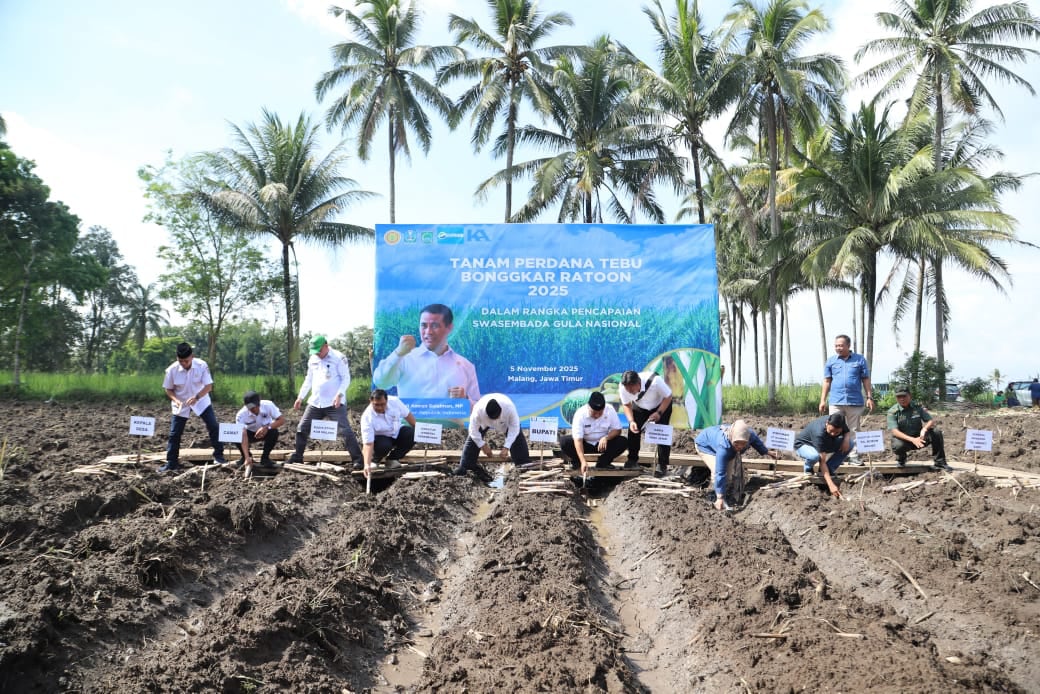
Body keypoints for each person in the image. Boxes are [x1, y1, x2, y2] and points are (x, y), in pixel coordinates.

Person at [372, 303, 480, 404]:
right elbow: (381, 382)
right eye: (424, 325)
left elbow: (478, 410)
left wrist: (465, 399)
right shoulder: (404, 359)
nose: (428, 332)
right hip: (411, 424)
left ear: (449, 327)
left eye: (435, 326)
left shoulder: (466, 366)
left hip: (452, 424)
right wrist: (398, 354)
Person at [288, 335, 363, 466]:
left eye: (319, 351)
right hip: (316, 402)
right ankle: (298, 456)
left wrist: (339, 394)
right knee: (302, 428)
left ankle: (358, 459)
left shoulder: (339, 358)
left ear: (326, 346)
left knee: (345, 430)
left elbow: (346, 378)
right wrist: (300, 397)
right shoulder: (313, 359)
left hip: (334, 402)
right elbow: (308, 379)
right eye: (315, 351)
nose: (317, 354)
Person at [159, 342, 226, 472]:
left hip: (200, 399)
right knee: (174, 433)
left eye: (186, 361)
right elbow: (168, 389)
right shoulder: (171, 370)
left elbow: (208, 386)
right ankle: (171, 462)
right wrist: (176, 400)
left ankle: (219, 456)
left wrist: (196, 397)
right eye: (180, 361)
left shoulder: (202, 365)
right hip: (182, 402)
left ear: (192, 357)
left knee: (213, 426)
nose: (183, 364)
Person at [695, 420, 780, 511]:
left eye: (743, 444)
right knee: (716, 470)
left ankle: (724, 497)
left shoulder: (749, 434)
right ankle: (715, 497)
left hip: (726, 447)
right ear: (731, 438)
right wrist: (720, 497)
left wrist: (767, 452)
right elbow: (720, 472)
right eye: (736, 443)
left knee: (728, 477)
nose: (739, 447)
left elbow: (756, 441)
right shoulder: (724, 446)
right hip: (705, 446)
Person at [819, 334, 873, 465]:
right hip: (836, 401)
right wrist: (822, 400)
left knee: (854, 429)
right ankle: (836, 456)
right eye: (836, 345)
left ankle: (853, 456)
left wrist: (869, 397)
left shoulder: (859, 360)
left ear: (848, 346)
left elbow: (865, 379)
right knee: (833, 429)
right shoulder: (831, 361)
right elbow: (827, 381)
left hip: (855, 401)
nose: (838, 348)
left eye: (841, 345)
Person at [455, 394, 530, 482]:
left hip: (505, 423)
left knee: (517, 439)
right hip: (484, 422)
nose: (495, 421)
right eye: (492, 418)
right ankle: (467, 466)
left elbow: (514, 428)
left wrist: (506, 447)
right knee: (473, 441)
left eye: (497, 417)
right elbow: (473, 430)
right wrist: (482, 445)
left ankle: (522, 465)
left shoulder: (509, 408)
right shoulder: (478, 411)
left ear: (501, 411)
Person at [619, 369, 674, 477]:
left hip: (660, 405)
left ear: (638, 383)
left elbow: (668, 396)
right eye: (627, 389)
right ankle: (632, 460)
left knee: (661, 432)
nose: (629, 392)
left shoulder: (656, 381)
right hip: (640, 406)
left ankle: (662, 465)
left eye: (632, 389)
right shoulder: (622, 388)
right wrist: (631, 421)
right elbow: (626, 405)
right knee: (633, 430)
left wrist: (659, 413)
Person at [561, 391, 627, 475]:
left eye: (600, 413)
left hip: (602, 445)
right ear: (589, 407)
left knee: (623, 441)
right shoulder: (580, 414)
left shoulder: (610, 410)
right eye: (594, 412)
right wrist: (583, 461)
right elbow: (578, 440)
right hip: (585, 444)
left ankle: (603, 463)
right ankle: (577, 462)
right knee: (565, 442)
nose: (597, 415)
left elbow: (617, 430)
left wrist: (606, 438)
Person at [887, 387, 950, 470]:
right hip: (904, 440)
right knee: (898, 445)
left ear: (910, 396)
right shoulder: (893, 412)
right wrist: (913, 440)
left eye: (904, 396)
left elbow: (930, 420)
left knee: (936, 432)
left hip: (920, 438)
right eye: (899, 397)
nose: (902, 399)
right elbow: (895, 431)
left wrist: (924, 429)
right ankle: (901, 459)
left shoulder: (917, 407)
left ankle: (940, 463)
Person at [360, 389, 417, 479]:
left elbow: (407, 415)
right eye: (376, 405)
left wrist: (420, 431)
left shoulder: (394, 402)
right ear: (370, 401)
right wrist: (366, 464)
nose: (379, 408)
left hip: (397, 432)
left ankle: (393, 459)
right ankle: (375, 460)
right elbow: (368, 444)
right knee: (384, 445)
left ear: (387, 400)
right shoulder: (367, 417)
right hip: (381, 438)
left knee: (413, 434)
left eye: (382, 404)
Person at [795, 413, 852, 498]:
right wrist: (831, 485)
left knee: (850, 443)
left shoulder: (840, 422)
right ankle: (808, 468)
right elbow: (822, 462)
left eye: (837, 432)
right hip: (804, 445)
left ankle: (830, 468)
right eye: (831, 431)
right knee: (814, 456)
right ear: (827, 423)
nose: (833, 434)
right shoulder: (819, 432)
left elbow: (846, 432)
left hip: (825, 442)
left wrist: (846, 440)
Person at [235, 390, 286, 474]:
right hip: (249, 433)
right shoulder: (241, 415)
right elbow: (243, 435)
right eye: (250, 408)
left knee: (274, 432)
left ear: (259, 403)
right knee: (236, 435)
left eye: (255, 406)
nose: (253, 409)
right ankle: (246, 457)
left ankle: (265, 458)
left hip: (266, 431)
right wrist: (247, 457)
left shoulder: (268, 405)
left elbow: (281, 420)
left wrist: (267, 428)